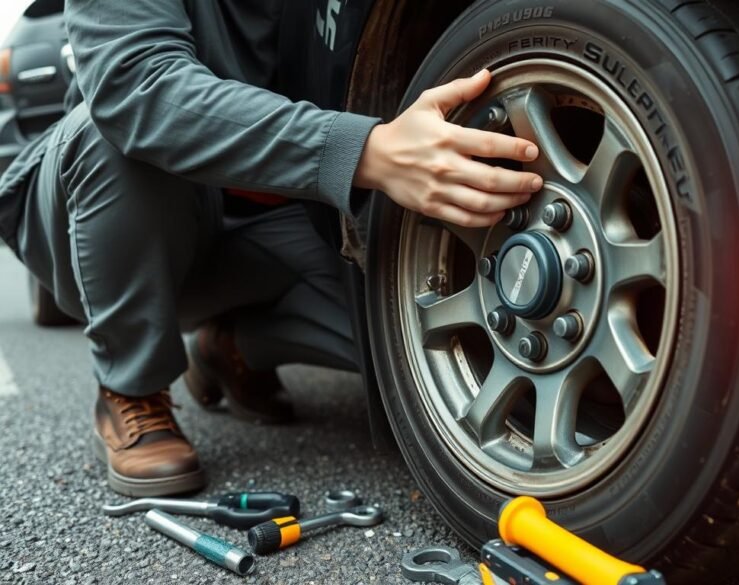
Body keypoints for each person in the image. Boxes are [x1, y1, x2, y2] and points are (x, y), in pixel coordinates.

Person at [0, 0, 542, 497]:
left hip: (266, 223)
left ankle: (231, 346)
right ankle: (131, 388)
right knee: (118, 135)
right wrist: (368, 152)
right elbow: (136, 87)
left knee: (393, 341)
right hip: (122, 219)